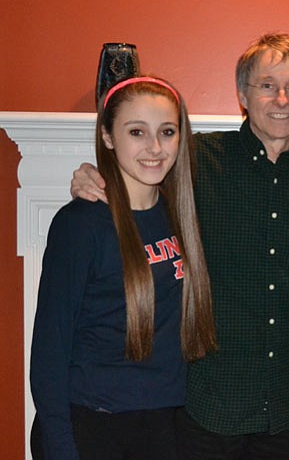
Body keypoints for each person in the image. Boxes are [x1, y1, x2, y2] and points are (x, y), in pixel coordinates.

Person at [70, 33, 289, 460]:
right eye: (267, 85)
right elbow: (142, 164)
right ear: (242, 95)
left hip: (286, 403)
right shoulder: (197, 158)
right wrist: (91, 174)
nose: (281, 99)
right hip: (210, 401)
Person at [31, 76, 217, 460]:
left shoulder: (180, 212)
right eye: (137, 131)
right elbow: (50, 349)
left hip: (168, 425)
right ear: (108, 137)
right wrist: (60, 447)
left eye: (167, 131)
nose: (155, 148)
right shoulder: (81, 224)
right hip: (96, 427)